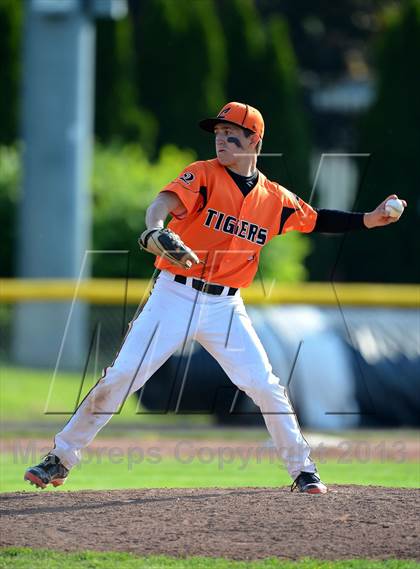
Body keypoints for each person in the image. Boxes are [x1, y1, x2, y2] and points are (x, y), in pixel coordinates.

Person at [25, 102, 407, 494]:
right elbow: (162, 205)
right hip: (174, 295)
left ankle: (304, 470)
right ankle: (61, 457)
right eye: (218, 133)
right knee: (123, 376)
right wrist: (156, 228)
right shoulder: (203, 175)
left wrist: (368, 219)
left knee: (266, 385)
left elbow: (317, 218)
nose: (221, 140)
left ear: (255, 140)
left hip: (226, 306)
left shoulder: (273, 199)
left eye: (231, 134)